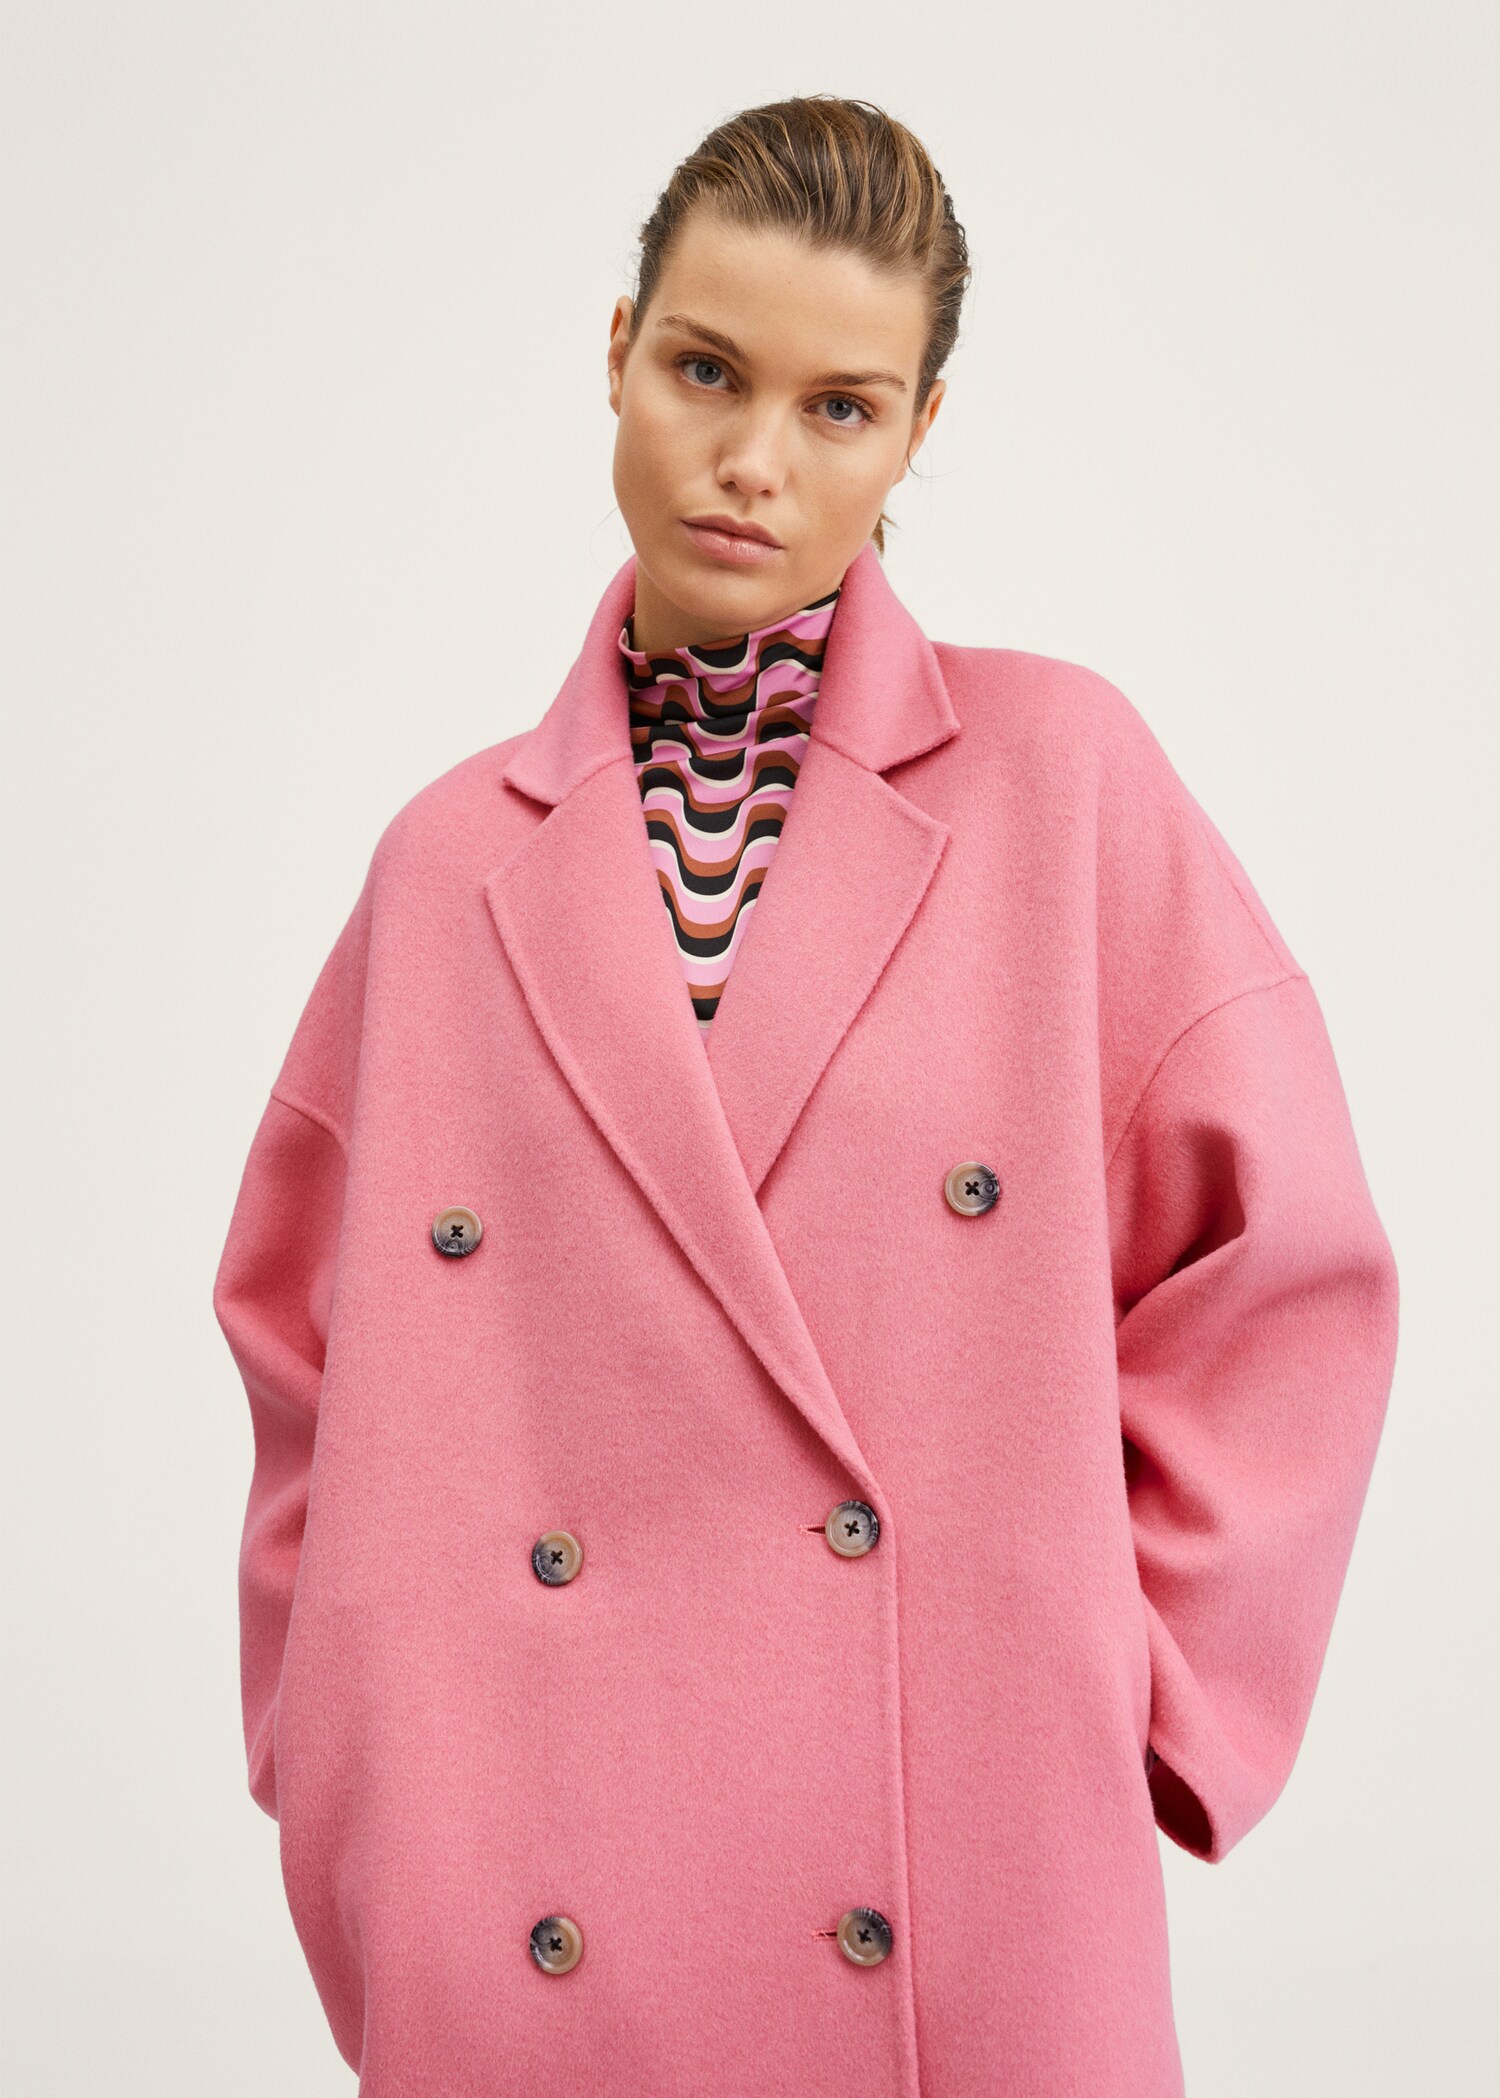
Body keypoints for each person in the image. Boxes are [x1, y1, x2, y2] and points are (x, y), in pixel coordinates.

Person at [214, 94, 1399, 2097]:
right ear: (618, 352)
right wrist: (344, 1756)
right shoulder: (446, 864)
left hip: (958, 1876)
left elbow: (1287, 1266)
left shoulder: (1063, 780)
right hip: (525, 1884)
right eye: (706, 370)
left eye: (839, 406)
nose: (755, 459)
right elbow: (296, 1344)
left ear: (919, 430)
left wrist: (1137, 1695)